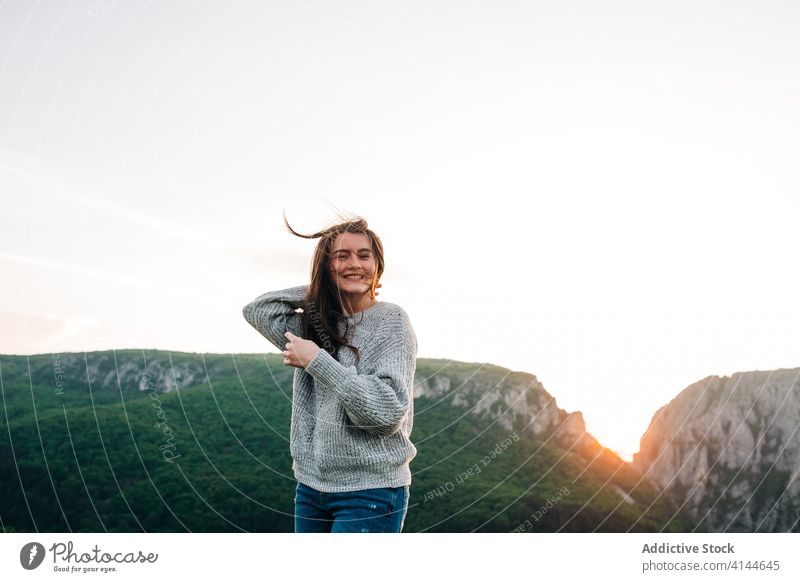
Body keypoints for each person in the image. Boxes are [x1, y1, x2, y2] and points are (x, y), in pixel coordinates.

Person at [242, 213, 418, 533]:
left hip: (370, 491)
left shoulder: (392, 320)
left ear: (378, 264)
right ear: (326, 266)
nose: (355, 264)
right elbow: (258, 310)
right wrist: (322, 288)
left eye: (364, 256)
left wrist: (317, 361)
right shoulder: (315, 322)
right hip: (310, 487)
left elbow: (387, 413)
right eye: (341, 256)